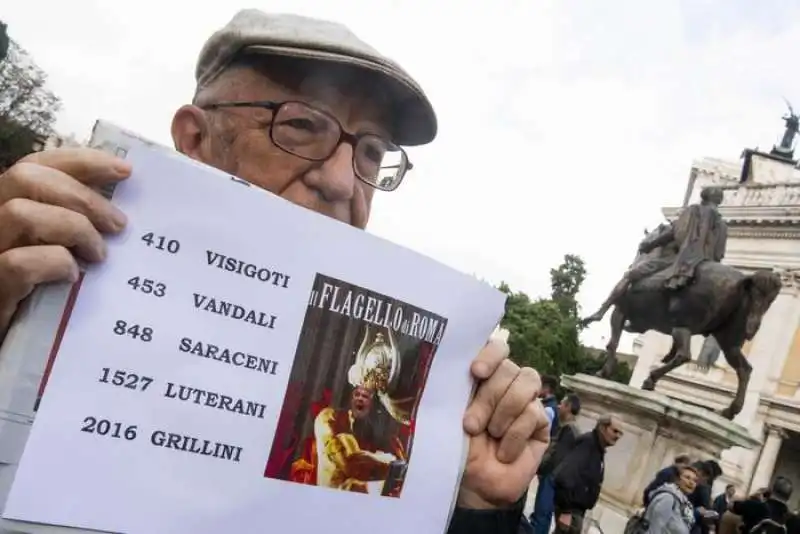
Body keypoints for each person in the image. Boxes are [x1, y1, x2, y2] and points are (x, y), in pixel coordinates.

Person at [0, 9, 551, 534]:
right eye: (303, 125)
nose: (341, 182)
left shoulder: (424, 409)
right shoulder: (40, 274)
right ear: (196, 139)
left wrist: (477, 505)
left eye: (371, 153)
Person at [582, 186, 726, 325]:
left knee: (630, 275)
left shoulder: (695, 212)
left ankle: (602, 310)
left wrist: (650, 245)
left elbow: (674, 234)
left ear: (703, 198)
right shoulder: (723, 224)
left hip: (681, 260)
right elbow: (719, 253)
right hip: (707, 263)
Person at [313, 385, 405, 494]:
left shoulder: (368, 432)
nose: (360, 399)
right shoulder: (328, 417)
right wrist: (384, 463)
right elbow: (348, 464)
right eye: (357, 394)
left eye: (365, 396)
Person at [552, 414, 623, 533]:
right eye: (615, 431)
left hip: (577, 511)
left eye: (620, 433)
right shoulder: (588, 444)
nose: (618, 436)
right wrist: (566, 510)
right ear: (602, 427)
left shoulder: (597, 449)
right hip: (571, 511)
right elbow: (565, 475)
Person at [530, 394, 582, 534]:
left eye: (562, 404)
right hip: (553, 479)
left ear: (569, 407)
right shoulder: (572, 429)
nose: (559, 406)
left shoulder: (569, 430)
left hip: (551, 478)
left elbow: (555, 458)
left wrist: (539, 469)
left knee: (541, 516)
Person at [640, 465, 699, 534]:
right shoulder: (668, 498)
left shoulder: (684, 502)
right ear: (677, 479)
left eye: (695, 481)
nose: (691, 482)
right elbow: (654, 528)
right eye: (687, 478)